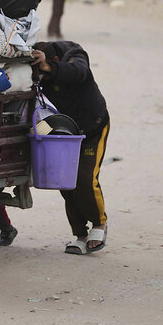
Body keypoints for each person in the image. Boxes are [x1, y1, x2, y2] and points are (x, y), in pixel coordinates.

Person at [31, 40, 110, 255]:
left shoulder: (73, 53)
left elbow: (80, 72)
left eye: (44, 71)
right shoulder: (37, 70)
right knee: (66, 182)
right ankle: (80, 235)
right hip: (65, 132)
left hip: (93, 126)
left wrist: (49, 68)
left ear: (54, 60)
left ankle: (99, 224)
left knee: (85, 179)